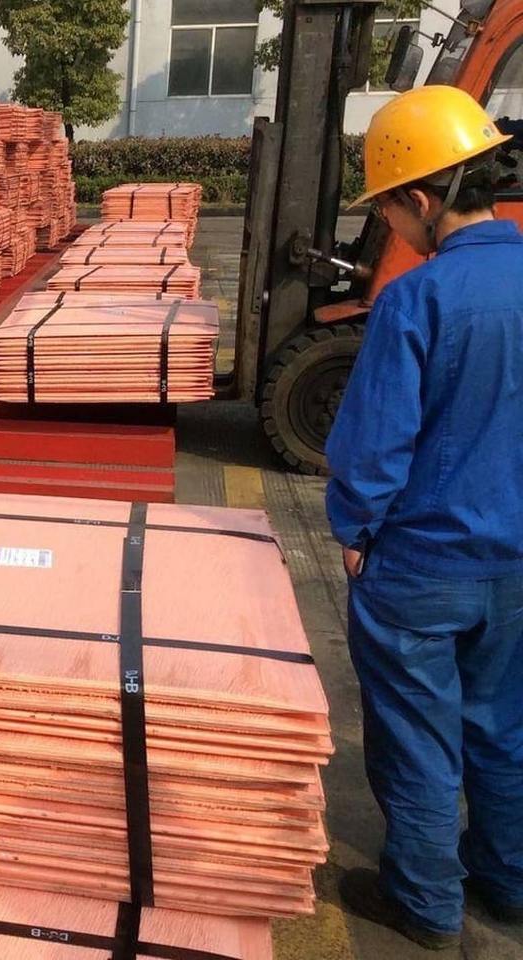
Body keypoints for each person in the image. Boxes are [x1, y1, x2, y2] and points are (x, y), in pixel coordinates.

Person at [325, 84, 523, 950]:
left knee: (417, 739)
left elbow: (373, 446)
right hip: (515, 563)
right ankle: (509, 882)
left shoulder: (419, 299)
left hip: (422, 565)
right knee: (505, 727)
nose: (393, 228)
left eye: (390, 211)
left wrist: (355, 530)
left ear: (422, 196)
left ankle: (425, 901)